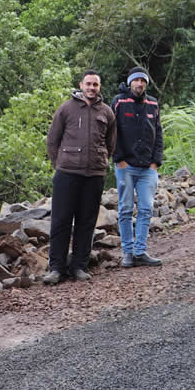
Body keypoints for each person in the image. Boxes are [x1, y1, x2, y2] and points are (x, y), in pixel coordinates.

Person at [44, 69, 116, 285]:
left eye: (95, 84)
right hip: (67, 174)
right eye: (88, 84)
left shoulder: (107, 112)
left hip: (94, 175)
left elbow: (110, 143)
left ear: (99, 87)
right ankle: (56, 268)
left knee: (86, 222)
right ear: (81, 85)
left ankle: (79, 266)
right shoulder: (66, 109)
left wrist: (101, 161)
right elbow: (52, 140)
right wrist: (59, 165)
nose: (91, 88)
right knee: (61, 221)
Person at [111, 66, 164, 269]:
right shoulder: (119, 102)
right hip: (126, 166)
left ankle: (140, 251)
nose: (139, 84)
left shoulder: (153, 103)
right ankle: (127, 252)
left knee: (145, 208)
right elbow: (112, 132)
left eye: (143, 81)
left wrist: (155, 162)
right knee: (125, 209)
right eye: (136, 80)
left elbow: (158, 134)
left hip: (147, 168)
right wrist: (119, 159)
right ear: (130, 81)